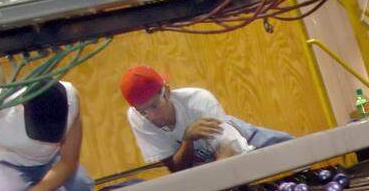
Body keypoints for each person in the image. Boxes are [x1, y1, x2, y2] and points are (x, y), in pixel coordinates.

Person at [119, 65, 292, 172]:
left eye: (154, 106)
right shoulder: (137, 118)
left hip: (241, 141)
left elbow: (228, 151)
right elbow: (176, 169)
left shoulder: (199, 101)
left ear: (167, 92)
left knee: (291, 151)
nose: (151, 117)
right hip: (207, 165)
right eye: (142, 111)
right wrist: (187, 140)